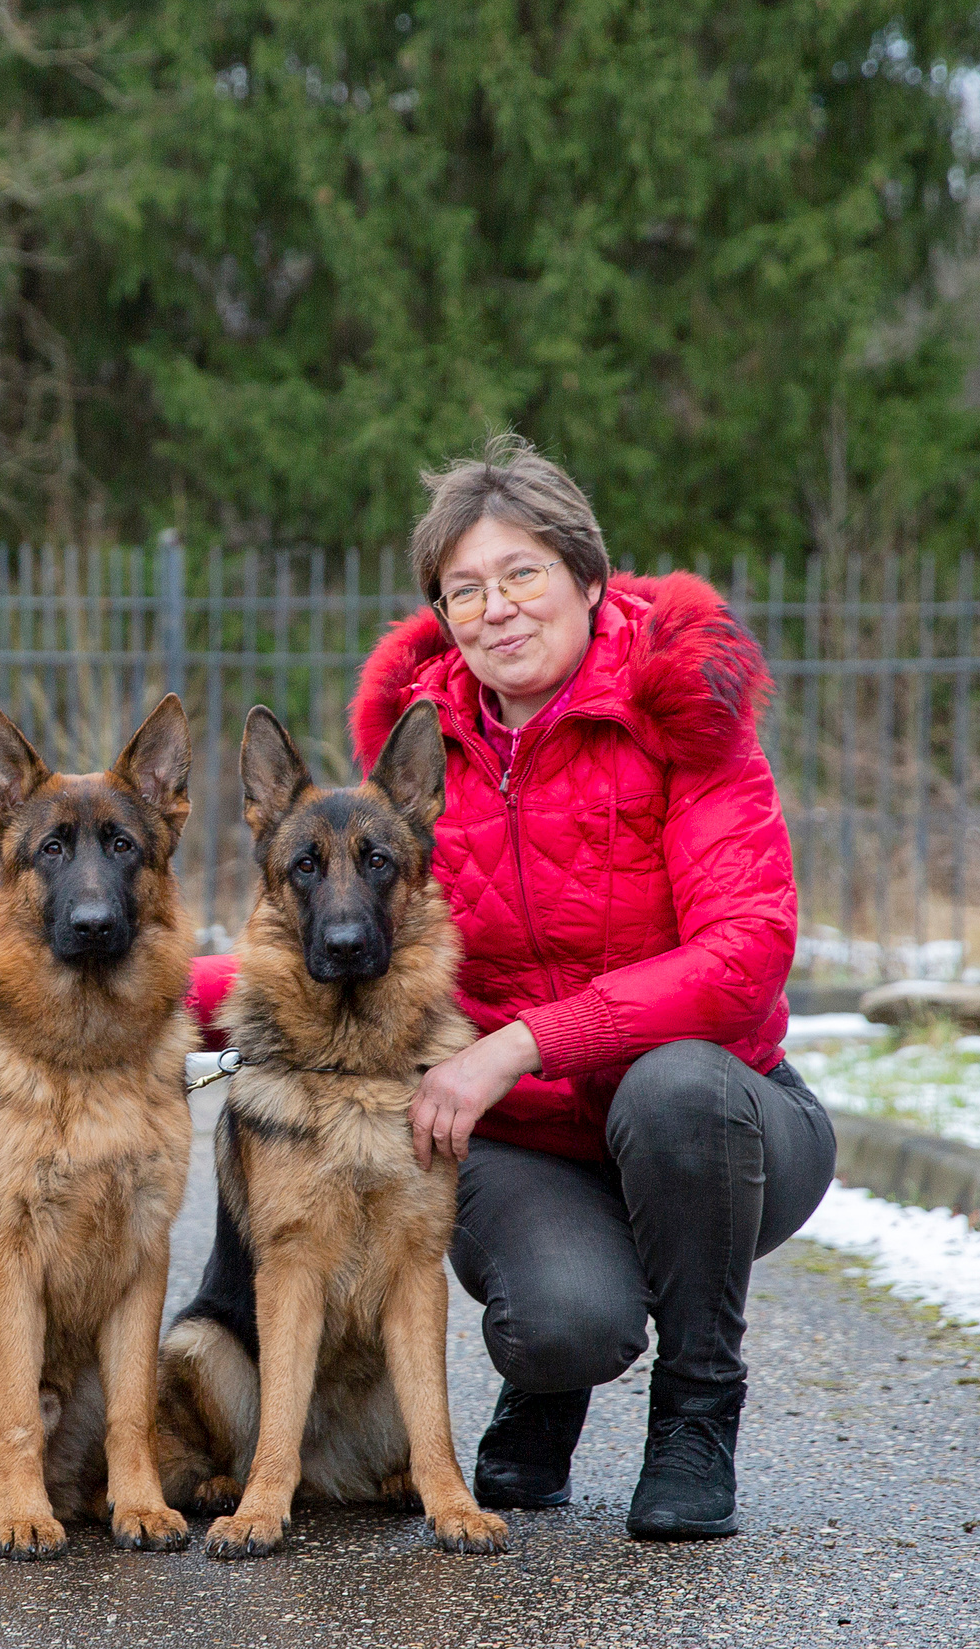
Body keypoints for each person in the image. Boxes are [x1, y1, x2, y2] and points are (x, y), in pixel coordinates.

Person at [186, 435, 833, 1540]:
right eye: (463, 589)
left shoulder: (685, 714)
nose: (496, 608)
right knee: (563, 1320)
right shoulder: (420, 760)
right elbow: (334, 944)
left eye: (523, 573)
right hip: (530, 1144)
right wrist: (124, 987)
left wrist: (517, 1044)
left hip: (717, 1125)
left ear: (587, 577)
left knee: (672, 1091)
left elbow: (743, 960)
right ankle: (547, 1384)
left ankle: (696, 1413)